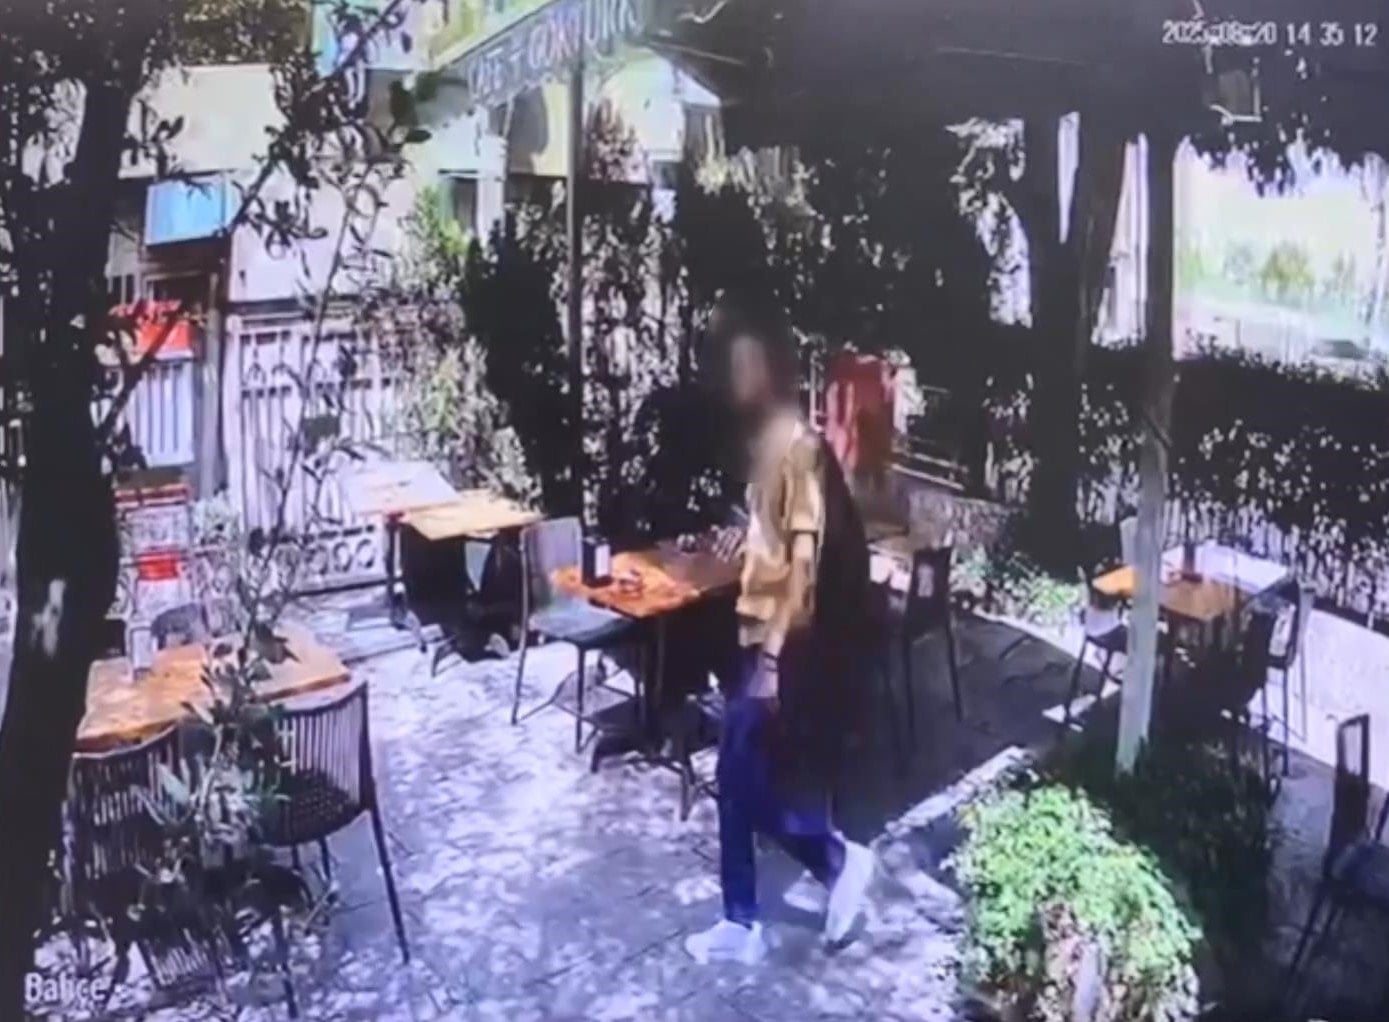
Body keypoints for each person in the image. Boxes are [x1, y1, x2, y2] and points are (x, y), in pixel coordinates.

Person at [684, 297, 875, 966]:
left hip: (777, 642)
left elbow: (804, 565)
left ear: (773, 369)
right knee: (736, 781)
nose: (737, 379)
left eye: (747, 365)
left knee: (738, 780)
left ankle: (834, 860)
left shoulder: (802, 448)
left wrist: (770, 660)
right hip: (751, 633)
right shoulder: (766, 449)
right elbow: (774, 543)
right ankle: (742, 919)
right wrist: (746, 542)